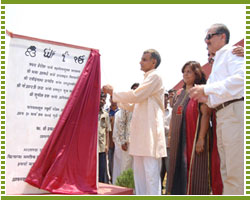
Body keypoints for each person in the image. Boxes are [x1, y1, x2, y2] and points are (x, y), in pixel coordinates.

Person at [189, 24, 244, 195]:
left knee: (236, 172)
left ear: (222, 37)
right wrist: (206, 98)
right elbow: (219, 95)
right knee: (227, 171)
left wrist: (206, 90)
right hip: (223, 115)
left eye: (210, 36)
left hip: (234, 112)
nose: (206, 41)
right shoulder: (218, 61)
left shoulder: (232, 53)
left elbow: (241, 79)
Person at [103, 49, 166, 195]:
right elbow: (133, 105)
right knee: (139, 174)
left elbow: (137, 95)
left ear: (153, 62)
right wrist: (117, 99)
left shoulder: (155, 76)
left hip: (150, 135)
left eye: (144, 59)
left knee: (150, 174)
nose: (140, 62)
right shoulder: (147, 79)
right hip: (139, 136)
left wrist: (115, 92)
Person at [167, 61, 222, 195]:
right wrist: (169, 137)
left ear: (196, 73)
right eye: (184, 72)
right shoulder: (179, 93)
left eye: (189, 72)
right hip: (177, 140)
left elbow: (206, 114)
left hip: (194, 137)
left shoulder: (201, 90)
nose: (185, 75)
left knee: (195, 170)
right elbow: (174, 115)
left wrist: (201, 138)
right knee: (176, 168)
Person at [112, 83, 139, 184]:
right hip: (128, 142)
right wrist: (123, 141)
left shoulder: (141, 104)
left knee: (137, 168)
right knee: (126, 166)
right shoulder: (127, 105)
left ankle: (135, 192)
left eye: (137, 89)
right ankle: (125, 190)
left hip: (139, 143)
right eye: (134, 89)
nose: (135, 91)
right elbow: (122, 123)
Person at [98, 91, 111, 183]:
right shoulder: (90, 112)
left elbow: (107, 131)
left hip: (102, 147)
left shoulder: (105, 114)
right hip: (92, 148)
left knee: (102, 170)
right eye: (101, 98)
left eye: (104, 99)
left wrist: (107, 145)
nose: (102, 100)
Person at [160, 91, 172, 193]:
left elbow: (172, 128)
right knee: (158, 171)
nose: (164, 98)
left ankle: (168, 192)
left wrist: (163, 128)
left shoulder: (171, 112)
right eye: (162, 96)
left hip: (168, 146)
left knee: (169, 170)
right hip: (158, 146)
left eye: (165, 96)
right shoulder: (156, 110)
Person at [106, 97, 119, 183]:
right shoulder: (106, 112)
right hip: (110, 143)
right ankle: (112, 180)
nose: (113, 99)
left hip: (119, 144)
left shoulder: (121, 112)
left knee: (118, 163)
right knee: (110, 163)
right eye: (111, 98)